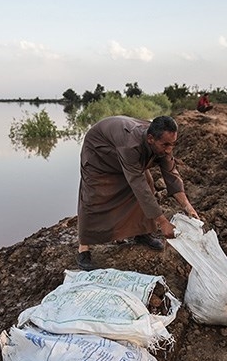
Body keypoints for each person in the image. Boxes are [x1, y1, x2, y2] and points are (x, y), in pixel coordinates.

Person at [76, 115, 200, 271]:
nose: (169, 149)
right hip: (99, 152)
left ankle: (142, 232)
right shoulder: (131, 145)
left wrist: (188, 207)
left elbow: (172, 175)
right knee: (94, 196)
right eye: (166, 145)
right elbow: (138, 185)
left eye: (173, 144)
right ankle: (84, 247)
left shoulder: (163, 143)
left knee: (148, 182)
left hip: (122, 149)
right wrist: (163, 222)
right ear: (150, 139)